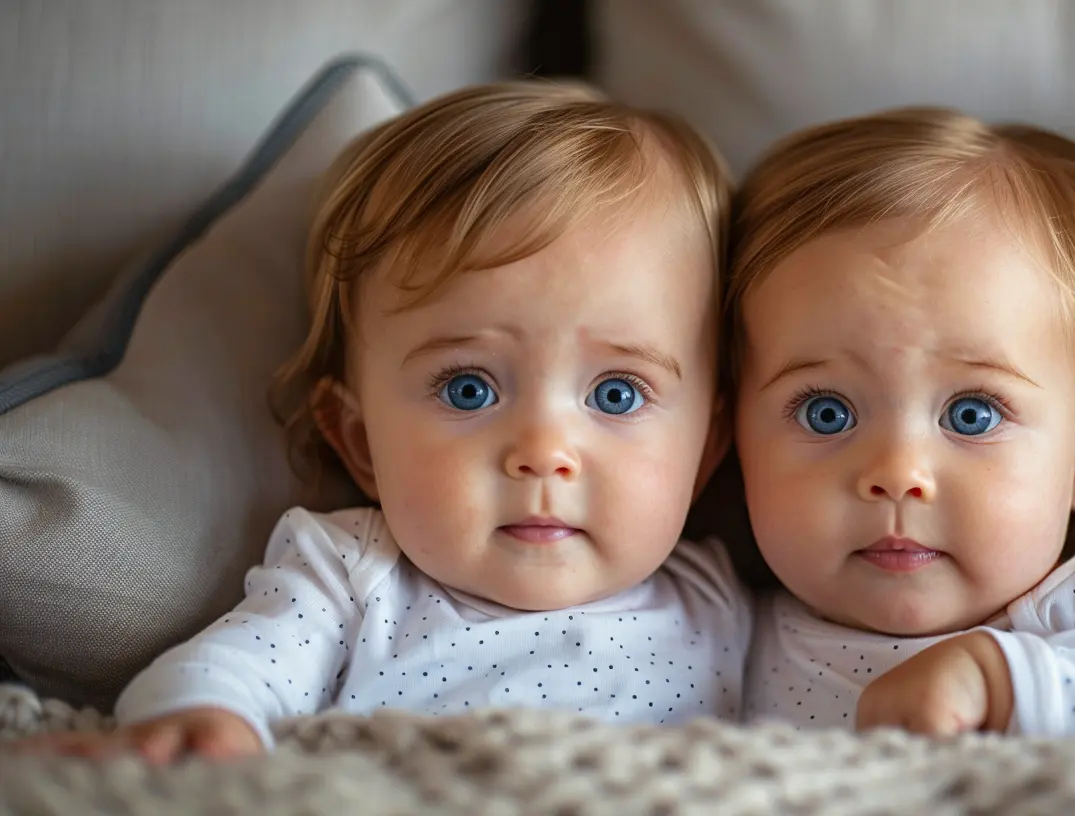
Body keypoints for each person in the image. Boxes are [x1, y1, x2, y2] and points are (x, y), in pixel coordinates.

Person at [16, 80, 748, 762]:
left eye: (617, 394)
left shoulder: (722, 602)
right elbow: (229, 672)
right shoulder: (352, 576)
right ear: (360, 442)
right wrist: (202, 722)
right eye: (469, 390)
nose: (543, 453)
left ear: (708, 447)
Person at [729, 108, 1075, 737]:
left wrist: (1006, 680)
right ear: (733, 437)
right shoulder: (717, 625)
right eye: (826, 412)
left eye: (972, 415)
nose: (897, 474)